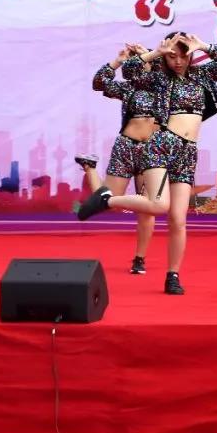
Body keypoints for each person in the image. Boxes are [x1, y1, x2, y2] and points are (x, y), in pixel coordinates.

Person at [77, 33, 217, 296]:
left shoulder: (201, 75)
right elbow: (129, 71)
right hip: (161, 145)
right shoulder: (159, 78)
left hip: (188, 152)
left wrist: (202, 45)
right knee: (159, 205)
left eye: (183, 55)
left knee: (178, 219)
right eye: (172, 57)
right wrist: (156, 52)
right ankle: (107, 200)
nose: (178, 61)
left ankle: (172, 276)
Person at [76, 43, 158, 275]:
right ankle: (90, 168)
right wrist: (118, 61)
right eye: (136, 62)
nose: (139, 65)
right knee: (107, 198)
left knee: (148, 207)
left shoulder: (163, 87)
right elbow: (99, 82)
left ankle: (139, 259)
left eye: (143, 61)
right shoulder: (127, 88)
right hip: (126, 147)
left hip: (152, 150)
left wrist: (146, 54)